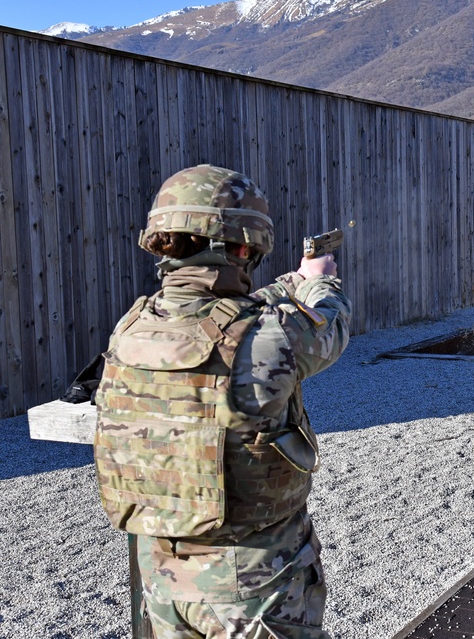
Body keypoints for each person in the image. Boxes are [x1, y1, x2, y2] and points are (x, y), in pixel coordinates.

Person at [93, 164, 351, 639]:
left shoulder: (131, 329)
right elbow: (329, 324)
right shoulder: (273, 335)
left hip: (163, 576)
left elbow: (227, 311)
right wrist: (321, 280)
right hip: (253, 583)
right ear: (243, 247)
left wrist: (286, 283)